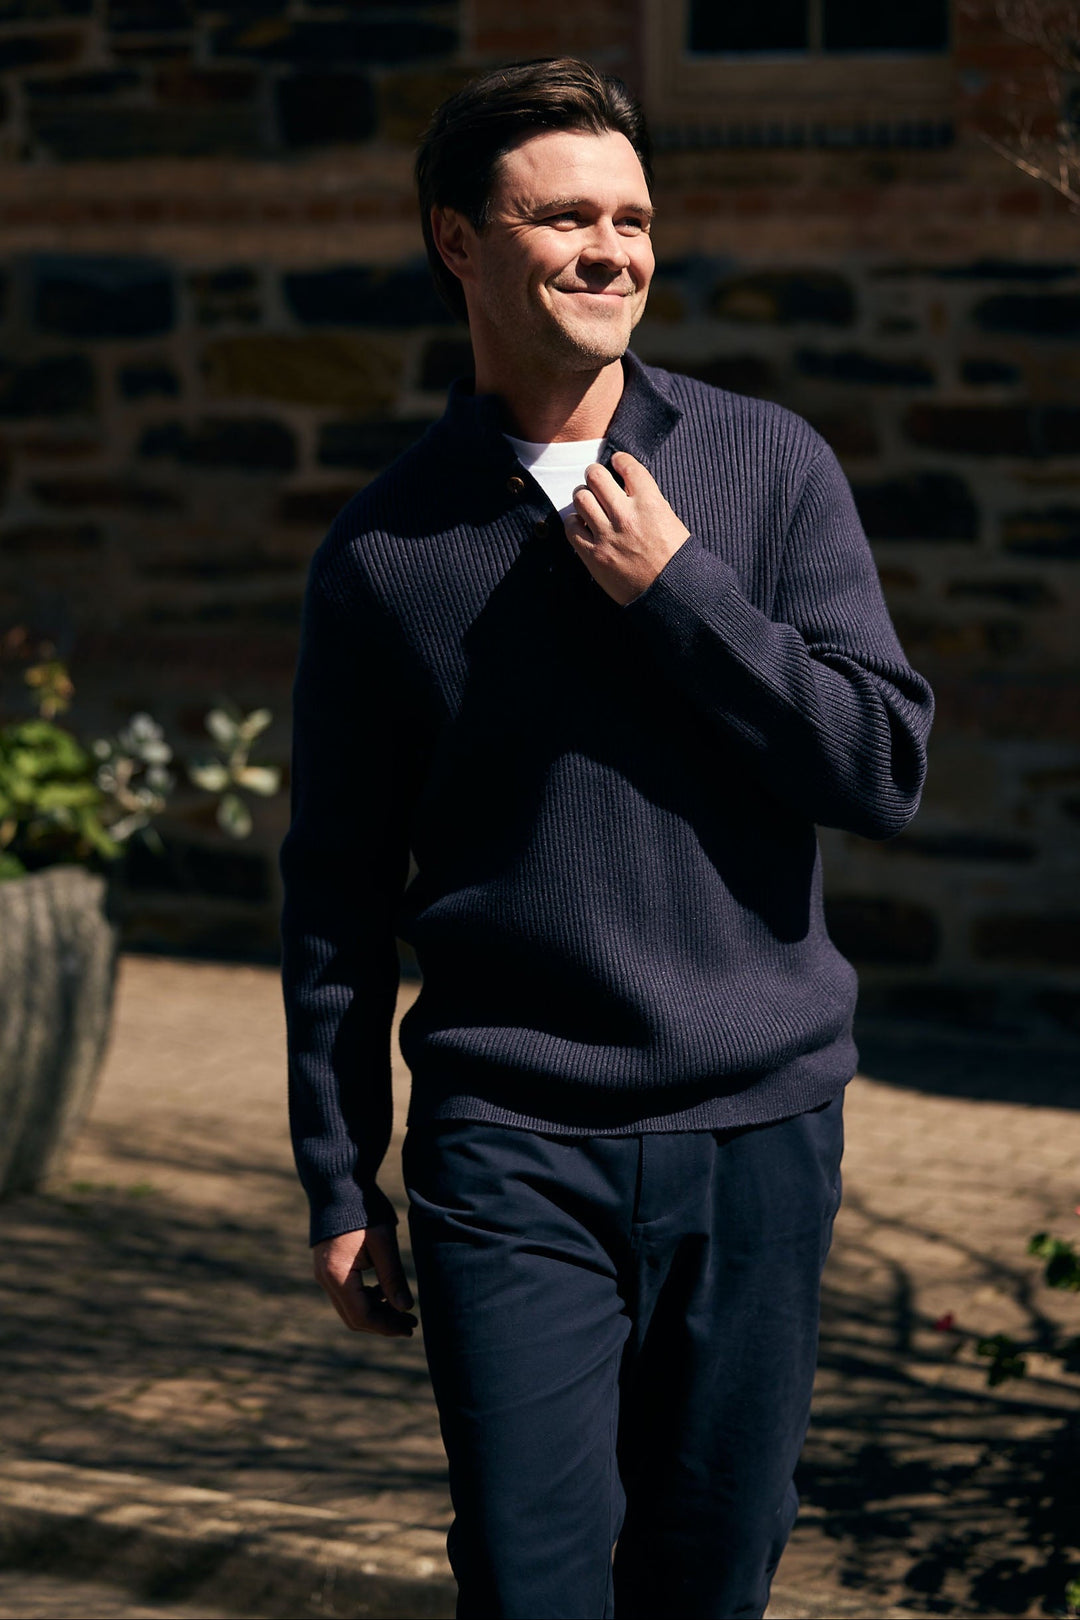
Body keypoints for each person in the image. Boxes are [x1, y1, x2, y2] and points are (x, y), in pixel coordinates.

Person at [278, 56, 935, 1620]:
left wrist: (683, 594)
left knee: (714, 1573)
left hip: (759, 1127)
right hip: (512, 1141)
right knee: (531, 1576)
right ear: (460, 242)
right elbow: (337, 892)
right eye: (562, 215)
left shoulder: (770, 469)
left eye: (632, 218)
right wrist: (335, 1171)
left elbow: (883, 761)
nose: (611, 250)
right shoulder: (383, 551)